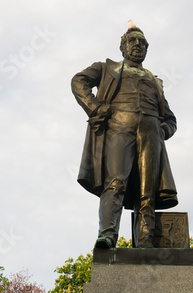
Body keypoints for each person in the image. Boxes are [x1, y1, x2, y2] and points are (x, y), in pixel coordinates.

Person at [71, 21, 178, 248]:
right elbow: (78, 81)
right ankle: (108, 236)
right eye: (132, 41)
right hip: (118, 130)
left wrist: (163, 130)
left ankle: (146, 241)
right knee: (116, 182)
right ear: (123, 47)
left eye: (142, 43)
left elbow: (170, 118)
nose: (137, 45)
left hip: (151, 134)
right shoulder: (106, 68)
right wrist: (95, 108)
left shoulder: (155, 81)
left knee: (147, 190)